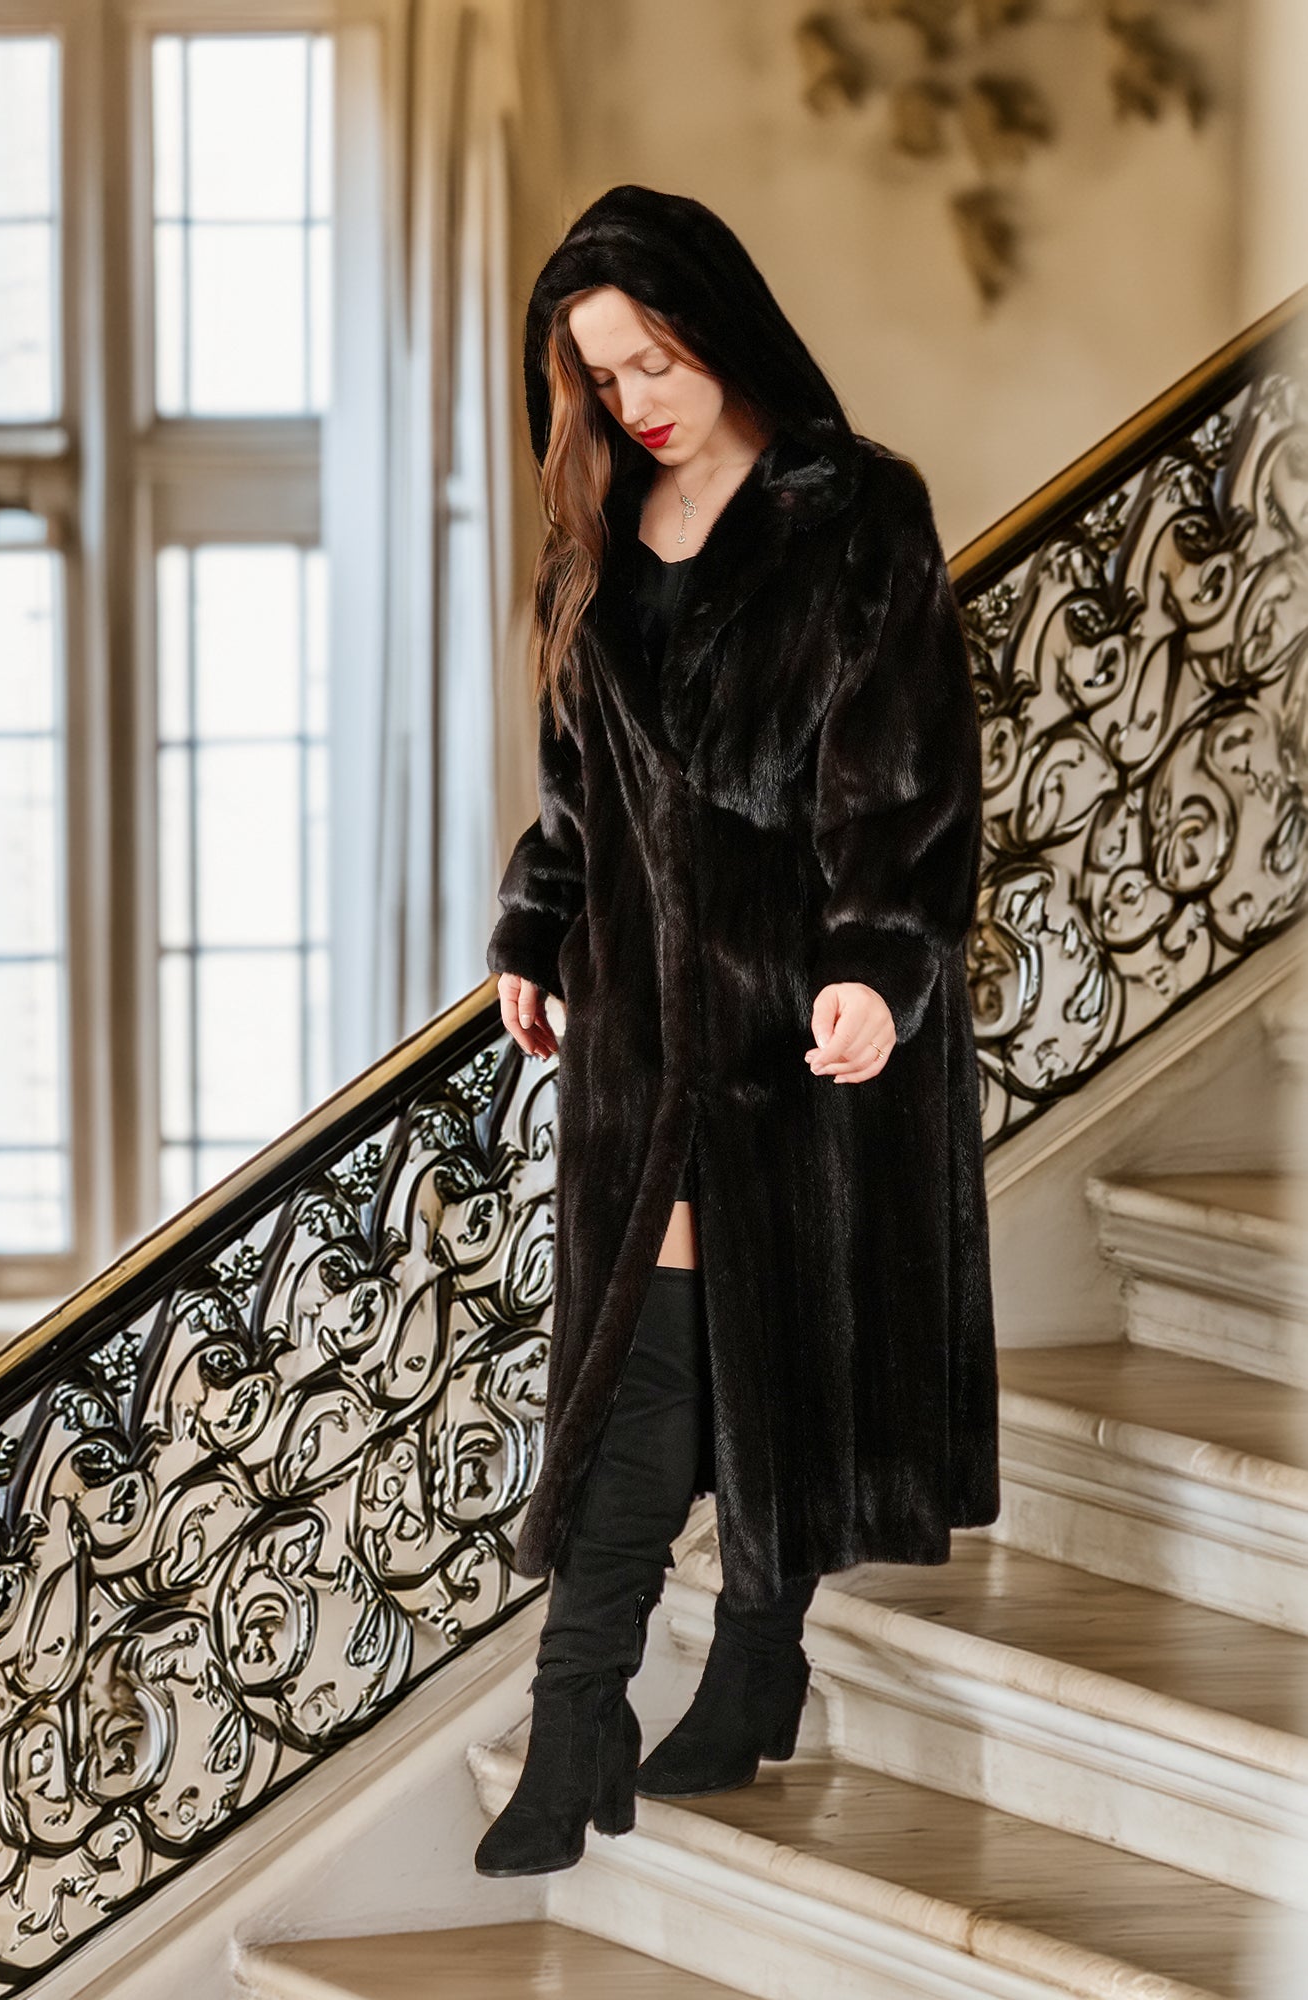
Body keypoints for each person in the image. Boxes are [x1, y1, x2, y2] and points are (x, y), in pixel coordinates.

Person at [476, 184, 998, 1879]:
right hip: (639, 1035)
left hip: (799, 1026)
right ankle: (595, 1709)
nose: (635, 400)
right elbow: (575, 794)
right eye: (602, 375)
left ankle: (718, 1671)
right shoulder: (598, 535)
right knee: (643, 1370)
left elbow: (908, 781)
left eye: (656, 356)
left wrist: (876, 962)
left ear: (717, 320)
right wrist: (533, 931)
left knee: (758, 1351)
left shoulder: (857, 519)